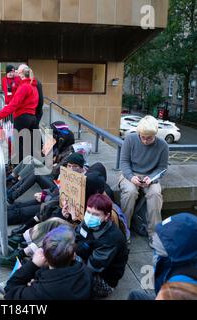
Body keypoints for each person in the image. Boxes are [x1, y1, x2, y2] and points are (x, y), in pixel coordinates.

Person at [4, 225, 93, 300]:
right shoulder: (86, 272)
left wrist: (33, 264)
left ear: (45, 257)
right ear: (74, 255)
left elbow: (10, 291)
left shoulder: (40, 292)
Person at [119, 115, 169, 246]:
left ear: (155, 134)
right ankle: (124, 231)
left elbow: (162, 168)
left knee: (155, 194)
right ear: (138, 133)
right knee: (130, 192)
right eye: (143, 137)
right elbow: (124, 162)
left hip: (150, 176)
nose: (145, 141)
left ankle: (154, 234)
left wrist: (152, 178)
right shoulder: (130, 139)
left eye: (149, 138)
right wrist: (131, 177)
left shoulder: (163, 145)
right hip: (130, 173)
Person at [128, 213, 197, 300]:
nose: (154, 238)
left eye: (162, 238)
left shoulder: (181, 285)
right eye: (158, 232)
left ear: (178, 247)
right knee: (135, 296)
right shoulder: (166, 255)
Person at [75, 193, 129, 298]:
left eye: (96, 214)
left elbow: (92, 268)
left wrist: (68, 260)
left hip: (104, 280)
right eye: (88, 212)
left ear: (106, 216)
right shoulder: (88, 222)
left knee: (63, 274)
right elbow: (76, 235)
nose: (90, 216)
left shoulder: (111, 239)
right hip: (86, 256)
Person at [0, 64, 38, 163]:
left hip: (22, 118)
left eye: (17, 72)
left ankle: (18, 173)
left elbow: (13, 104)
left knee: (19, 148)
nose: (15, 74)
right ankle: (28, 170)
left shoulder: (24, 87)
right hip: (32, 118)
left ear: (21, 74)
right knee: (29, 147)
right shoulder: (33, 87)